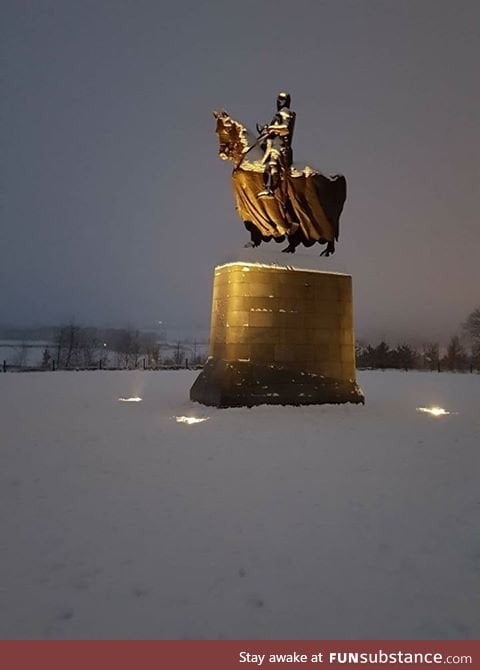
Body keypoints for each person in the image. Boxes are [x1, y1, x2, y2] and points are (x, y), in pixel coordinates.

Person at [257, 91, 296, 198]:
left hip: (279, 145)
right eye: (279, 99)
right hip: (272, 144)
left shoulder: (285, 112)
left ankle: (269, 188)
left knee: (272, 164)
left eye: (282, 99)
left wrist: (270, 128)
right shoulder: (279, 114)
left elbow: (285, 128)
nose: (280, 102)